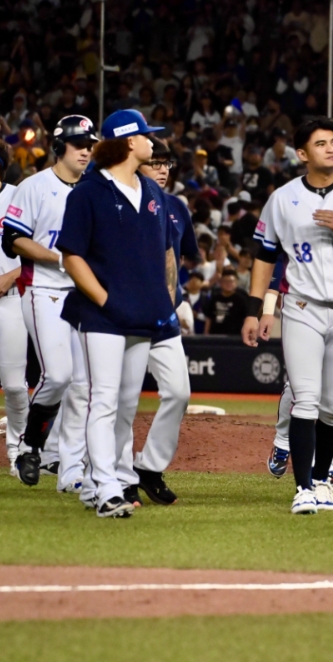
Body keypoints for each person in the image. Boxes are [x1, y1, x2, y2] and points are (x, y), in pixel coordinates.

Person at [243, 117, 333, 515]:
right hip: (303, 308)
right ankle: (303, 487)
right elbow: (264, 255)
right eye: (321, 143)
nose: (332, 149)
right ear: (302, 154)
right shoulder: (283, 198)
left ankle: (323, 480)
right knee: (305, 400)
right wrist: (254, 311)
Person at [57, 109, 179, 518]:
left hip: (142, 316)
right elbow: (71, 256)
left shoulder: (152, 192)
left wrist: (161, 303)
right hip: (103, 316)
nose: (152, 142)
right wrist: (105, 301)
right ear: (129, 141)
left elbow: (160, 254)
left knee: (126, 405)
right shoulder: (89, 192)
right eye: (146, 136)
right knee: (104, 400)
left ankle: (99, 480)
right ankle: (108, 487)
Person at [262, 152, 333, 489]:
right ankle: (283, 444)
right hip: (301, 305)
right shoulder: (298, 209)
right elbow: (276, 267)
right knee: (300, 389)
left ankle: (325, 467)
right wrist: (267, 310)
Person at [1, 115, 98, 492]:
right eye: (78, 145)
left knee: (83, 386)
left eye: (90, 144)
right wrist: (61, 259)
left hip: (82, 294)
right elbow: (15, 239)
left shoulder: (94, 188)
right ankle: (30, 445)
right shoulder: (35, 186)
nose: (86, 151)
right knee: (57, 375)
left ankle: (68, 466)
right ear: (59, 148)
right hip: (43, 289)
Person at [127, 136, 200, 506]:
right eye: (155, 161)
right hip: (121, 313)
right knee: (120, 399)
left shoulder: (175, 206)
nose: (162, 168)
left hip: (162, 316)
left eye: (167, 163)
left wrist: (172, 300)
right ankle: (119, 476)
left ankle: (149, 467)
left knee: (179, 393)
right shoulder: (117, 198)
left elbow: (181, 257)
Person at [0, 137, 29, 477]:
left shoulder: (18, 197)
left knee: (14, 385)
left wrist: (12, 275)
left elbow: (37, 249)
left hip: (11, 299)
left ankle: (18, 449)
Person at [204, 267, 249, 334]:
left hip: (235, 338)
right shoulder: (215, 298)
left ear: (236, 282)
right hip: (214, 338)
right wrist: (206, 334)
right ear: (220, 283)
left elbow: (246, 319)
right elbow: (209, 319)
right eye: (225, 281)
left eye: (231, 281)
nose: (228, 284)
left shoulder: (241, 300)